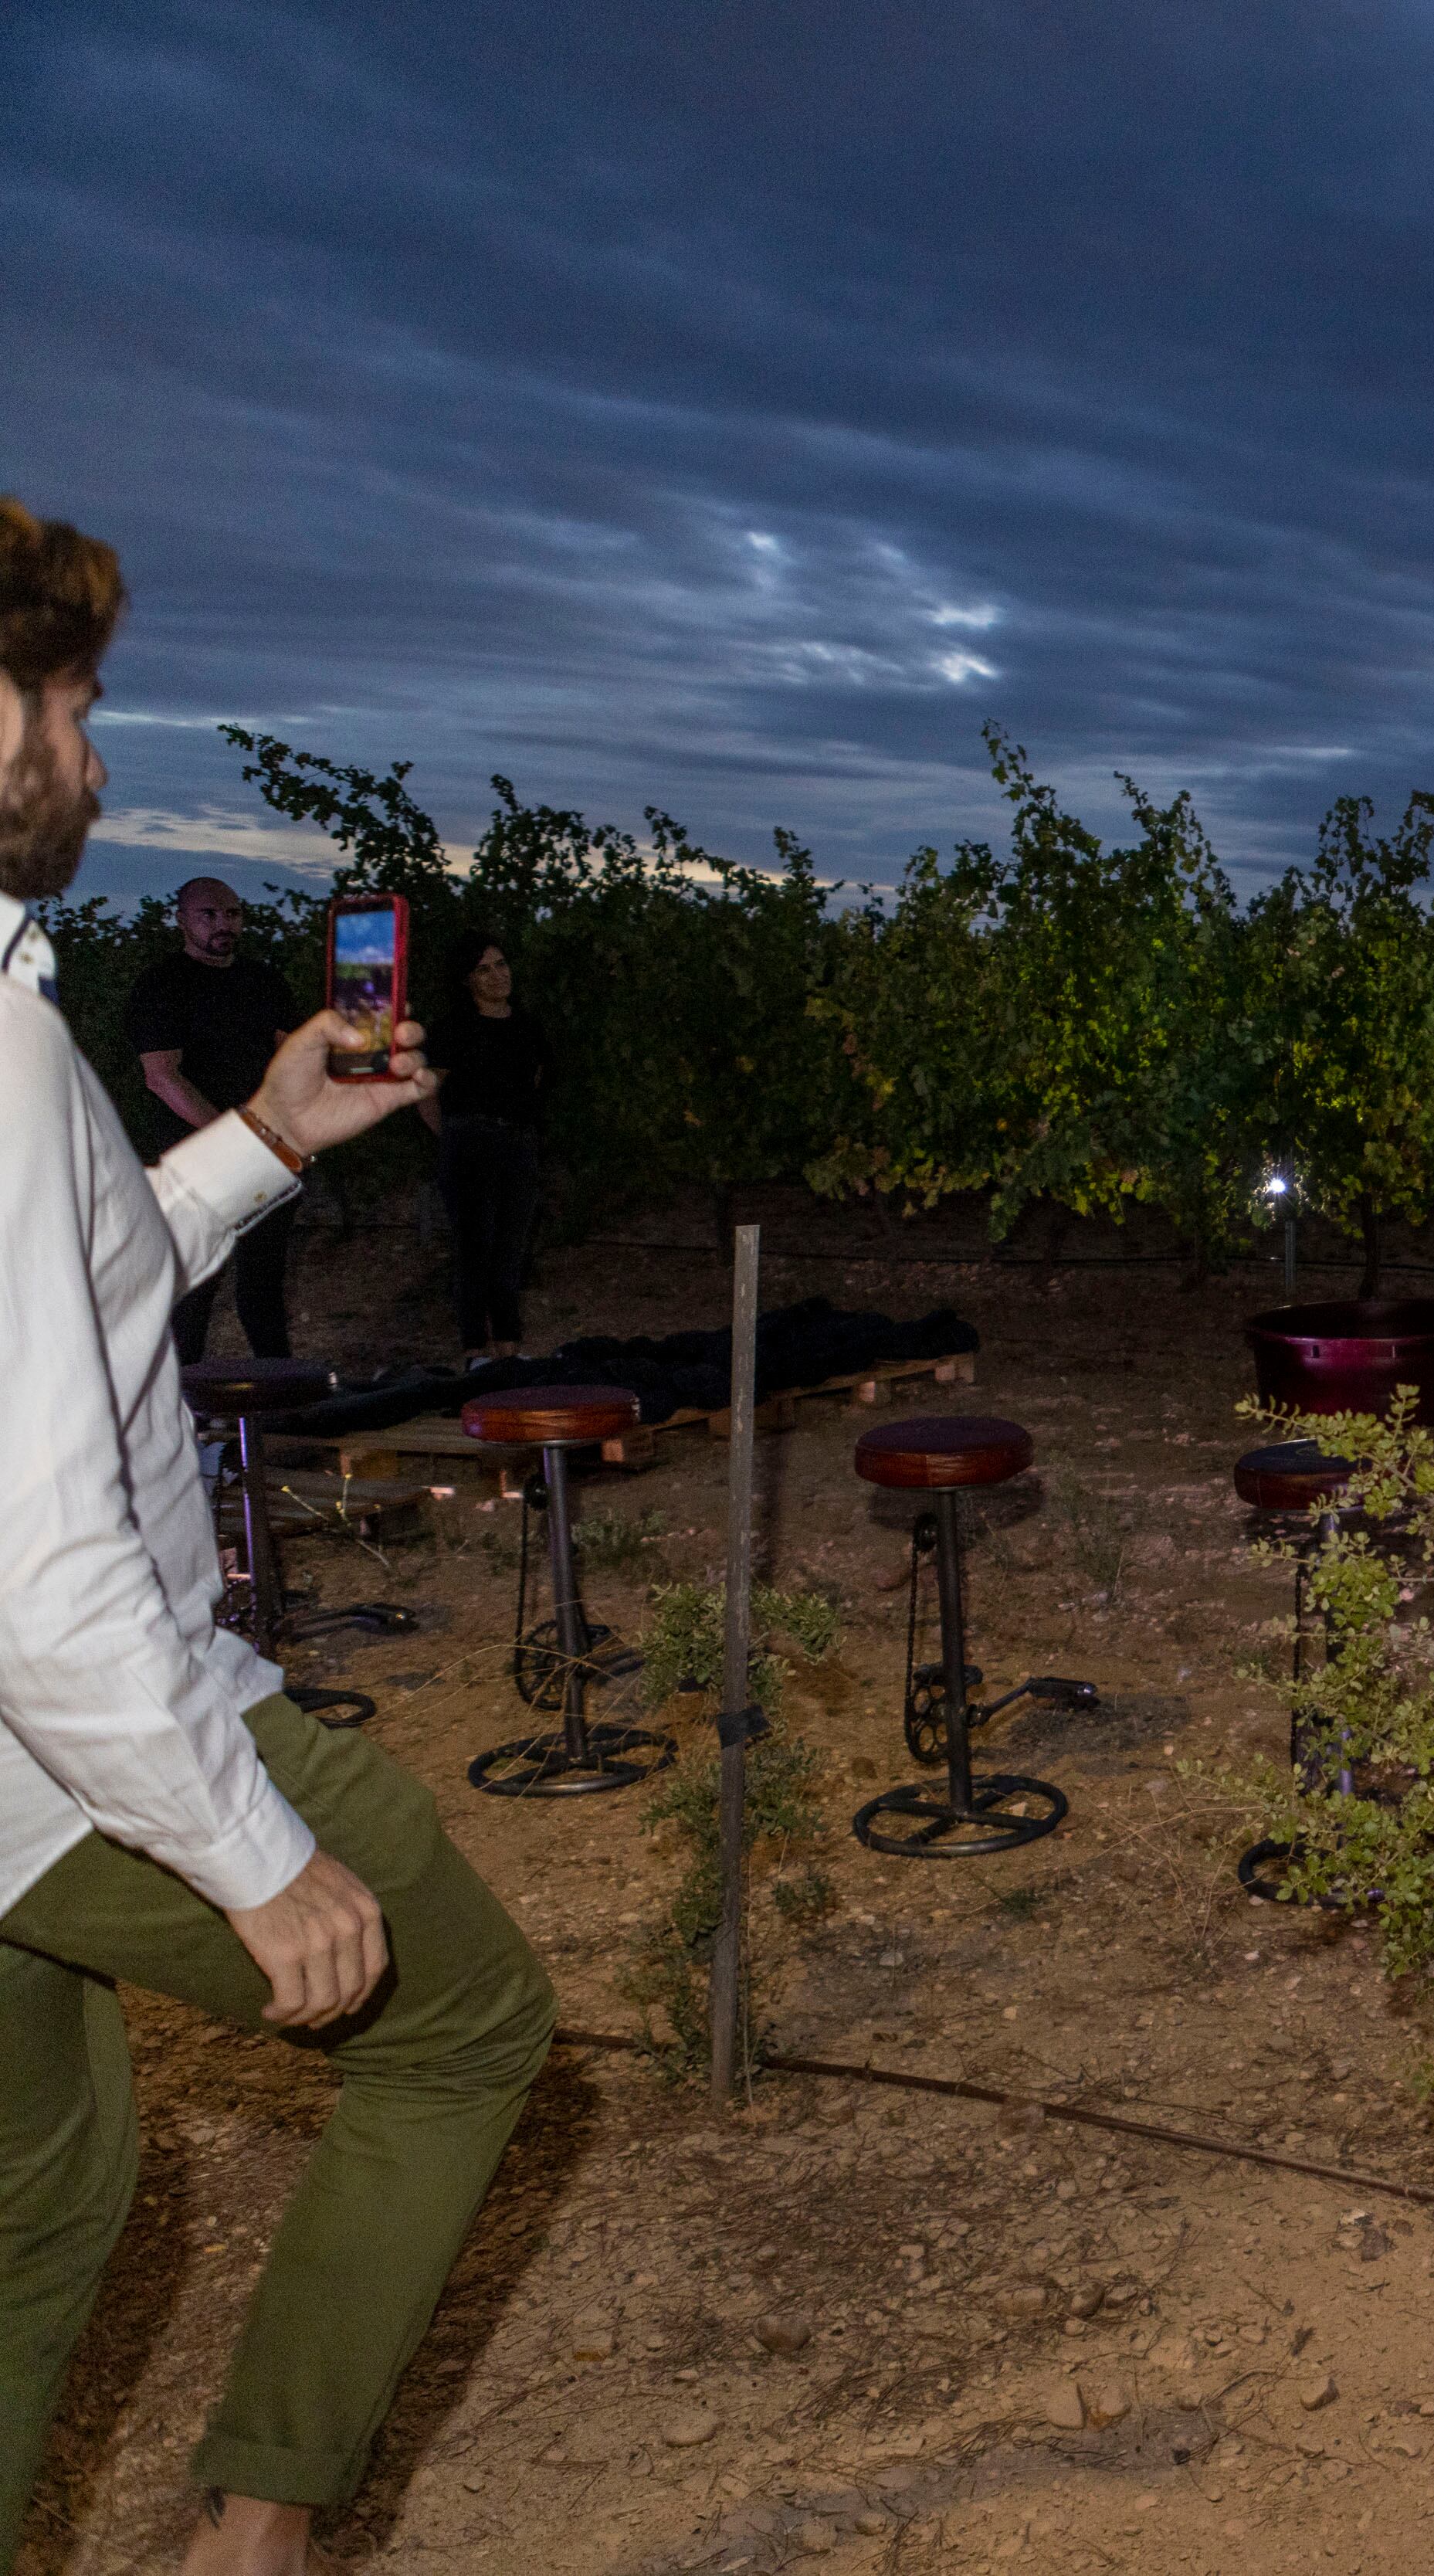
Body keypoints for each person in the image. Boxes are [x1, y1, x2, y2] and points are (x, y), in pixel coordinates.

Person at [0, 497, 557, 2576]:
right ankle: (257, 2541)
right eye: (61, 700)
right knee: (473, 2014)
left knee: (37, 2198)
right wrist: (248, 1852)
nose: (91, 752)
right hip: (61, 1751)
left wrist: (255, 1140)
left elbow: (56, 1287)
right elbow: (34, 1568)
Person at [128, 874, 305, 1364]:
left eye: (232, 914)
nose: (223, 924)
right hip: (197, 1159)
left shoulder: (262, 981)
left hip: (266, 1153)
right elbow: (162, 1077)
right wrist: (237, 1137)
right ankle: (186, 1420)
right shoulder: (162, 986)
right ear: (182, 919)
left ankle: (281, 1407)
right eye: (209, 914)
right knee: (194, 1291)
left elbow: (291, 1060)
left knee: (263, 1286)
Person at [419, 925, 553, 1368]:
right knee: (474, 1249)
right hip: (470, 1144)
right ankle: (475, 1353)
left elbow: (535, 1085)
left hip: (518, 1144)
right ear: (467, 980)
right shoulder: (452, 1029)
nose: (497, 975)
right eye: (483, 969)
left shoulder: (529, 1027)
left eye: (501, 964)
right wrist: (454, 1139)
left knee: (512, 1250)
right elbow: (426, 1092)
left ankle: (509, 1350)